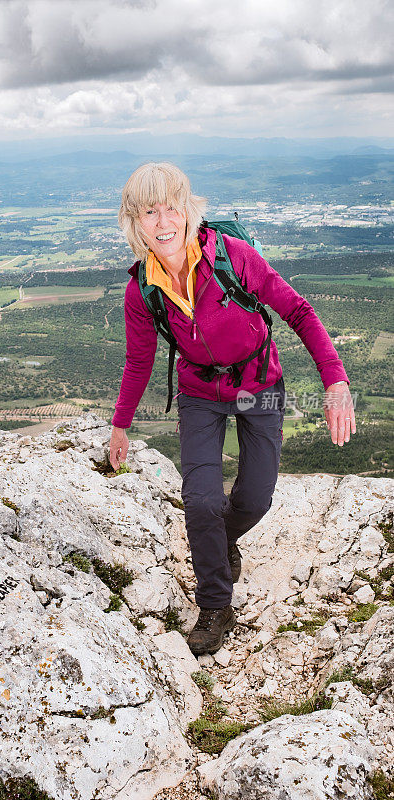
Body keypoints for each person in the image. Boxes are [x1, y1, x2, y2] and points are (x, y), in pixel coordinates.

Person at [108, 162, 356, 656]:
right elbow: (140, 360)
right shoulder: (143, 290)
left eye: (171, 208)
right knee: (200, 500)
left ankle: (220, 541)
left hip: (259, 382)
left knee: (257, 497)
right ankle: (215, 604)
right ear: (134, 222)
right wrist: (120, 426)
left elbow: (299, 312)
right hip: (200, 393)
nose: (163, 222)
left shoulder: (232, 257)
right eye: (149, 212)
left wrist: (336, 381)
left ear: (188, 209)